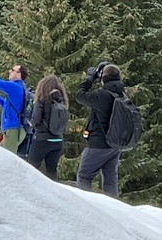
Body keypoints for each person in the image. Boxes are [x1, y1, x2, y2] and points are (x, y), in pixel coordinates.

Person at [74, 64, 132, 197]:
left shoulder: (102, 95)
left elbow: (79, 96)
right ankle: (112, 206)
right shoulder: (122, 94)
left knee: (84, 176)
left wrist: (89, 79)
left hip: (98, 143)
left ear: (103, 78)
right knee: (110, 181)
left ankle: (84, 204)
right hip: (115, 144)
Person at [25, 73, 68, 178]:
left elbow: (36, 119)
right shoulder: (62, 101)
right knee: (51, 171)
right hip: (58, 140)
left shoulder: (42, 99)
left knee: (31, 168)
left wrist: (29, 122)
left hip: (42, 139)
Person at [0, 59, 29, 152]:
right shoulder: (20, 88)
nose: (10, 71)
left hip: (13, 129)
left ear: (19, 74)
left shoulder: (14, 86)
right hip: (15, 129)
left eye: (13, 70)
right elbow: (9, 107)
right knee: (0, 154)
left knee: (7, 158)